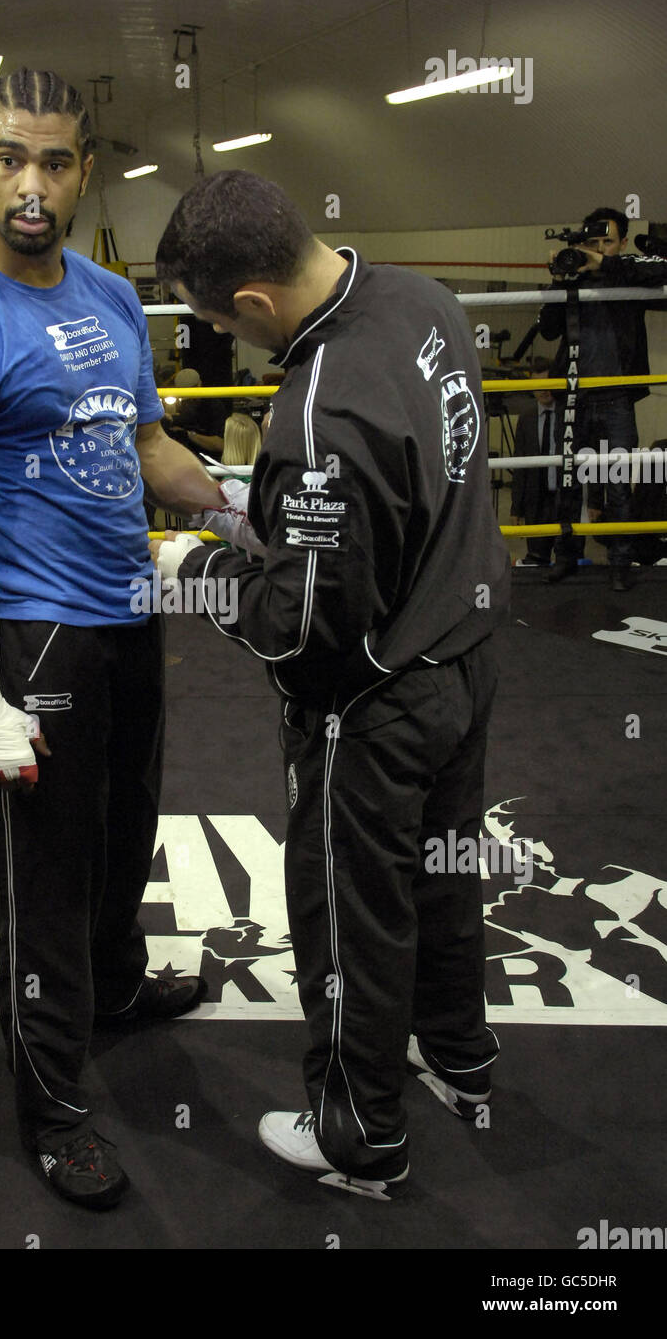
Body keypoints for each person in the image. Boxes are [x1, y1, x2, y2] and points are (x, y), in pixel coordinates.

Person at [0, 66, 228, 1211]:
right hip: (33, 632)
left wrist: (231, 506)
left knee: (127, 831)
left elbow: (146, 444)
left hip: (129, 615)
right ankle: (54, 1105)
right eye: (10, 158)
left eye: (56, 162)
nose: (32, 185)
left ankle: (115, 989)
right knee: (47, 875)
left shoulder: (111, 296)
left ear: (84, 171)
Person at [151, 170, 510, 1201]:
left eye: (222, 321)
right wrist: (263, 512)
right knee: (443, 873)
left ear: (253, 299)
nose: (223, 335)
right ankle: (460, 1056)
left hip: (375, 703)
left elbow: (302, 627)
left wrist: (196, 567)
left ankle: (360, 1135)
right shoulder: (424, 299)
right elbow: (416, 480)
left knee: (352, 912)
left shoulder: (318, 410)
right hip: (465, 647)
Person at [538, 207, 667, 590]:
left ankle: (620, 563)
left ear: (622, 243)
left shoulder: (628, 274)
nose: (597, 249)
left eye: (606, 242)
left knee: (617, 486)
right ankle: (565, 557)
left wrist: (604, 264)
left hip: (616, 399)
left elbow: (661, 271)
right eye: (591, 243)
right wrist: (560, 279)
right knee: (569, 483)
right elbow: (548, 330)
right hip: (574, 397)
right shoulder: (574, 277)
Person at [510, 357, 558, 566]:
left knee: (569, 558)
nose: (544, 390)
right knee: (537, 559)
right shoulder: (526, 417)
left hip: (564, 498)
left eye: (548, 383)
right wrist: (516, 508)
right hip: (536, 500)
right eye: (538, 385)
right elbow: (520, 465)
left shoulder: (568, 413)